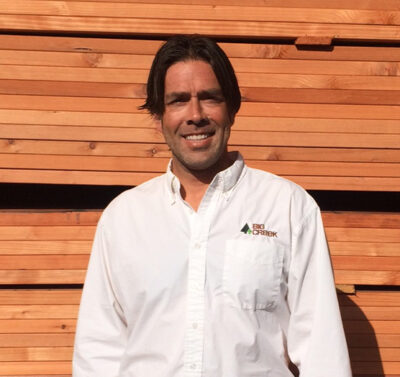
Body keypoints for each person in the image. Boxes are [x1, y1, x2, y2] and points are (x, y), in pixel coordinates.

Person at [73, 35, 352, 377]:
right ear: (159, 116)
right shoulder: (124, 218)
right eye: (177, 101)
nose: (195, 115)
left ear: (232, 108)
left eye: (209, 98)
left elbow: (322, 351)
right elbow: (98, 352)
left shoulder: (289, 208)